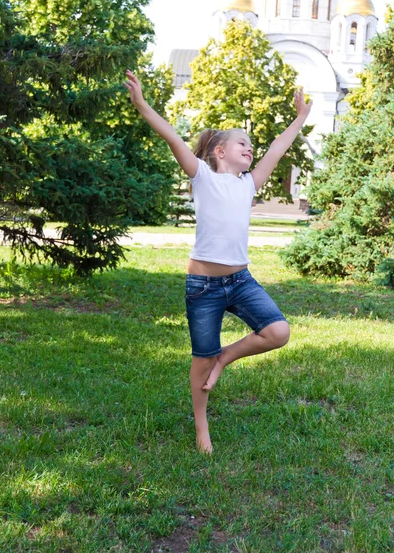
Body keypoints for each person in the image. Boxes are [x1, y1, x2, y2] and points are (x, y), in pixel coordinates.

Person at [124, 69, 312, 454]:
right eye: (243, 143)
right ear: (219, 151)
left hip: (241, 281)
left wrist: (299, 119)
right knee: (200, 358)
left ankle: (224, 358)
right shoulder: (202, 177)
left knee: (278, 332)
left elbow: (277, 149)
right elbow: (172, 136)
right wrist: (142, 105)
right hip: (204, 286)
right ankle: (201, 426)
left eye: (251, 146)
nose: (251, 149)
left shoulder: (249, 183)